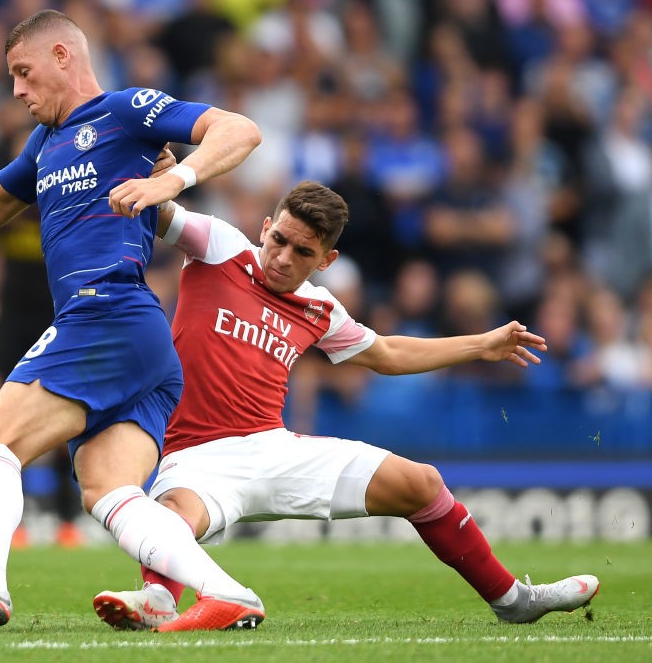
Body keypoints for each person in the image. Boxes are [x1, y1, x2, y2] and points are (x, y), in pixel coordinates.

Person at [0, 9, 263, 629]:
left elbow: (239, 129)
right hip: (138, 338)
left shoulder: (127, 110)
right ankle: (226, 591)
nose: (16, 90)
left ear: (63, 57)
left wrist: (172, 180)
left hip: (106, 311)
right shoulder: (46, 143)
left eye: (23, 72)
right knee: (107, 490)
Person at [93, 181, 600, 631]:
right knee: (171, 517)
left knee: (421, 483)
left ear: (326, 261)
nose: (284, 258)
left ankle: (512, 599)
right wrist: (158, 174)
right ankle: (159, 598)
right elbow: (157, 212)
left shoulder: (319, 307)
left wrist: (480, 344)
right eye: (279, 240)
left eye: (303, 252)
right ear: (266, 228)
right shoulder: (220, 248)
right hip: (195, 454)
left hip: (273, 448)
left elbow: (387, 353)